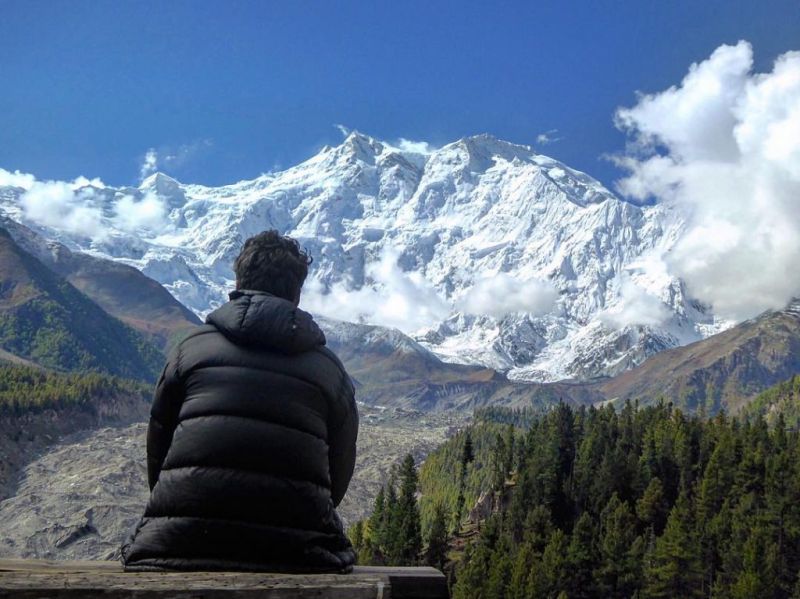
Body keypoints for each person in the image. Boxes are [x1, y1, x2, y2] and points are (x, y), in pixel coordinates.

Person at [121, 230, 358, 573]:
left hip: (176, 542)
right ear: (296, 292)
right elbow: (338, 473)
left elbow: (159, 448)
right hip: (300, 553)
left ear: (238, 281)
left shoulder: (190, 350)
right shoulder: (330, 371)